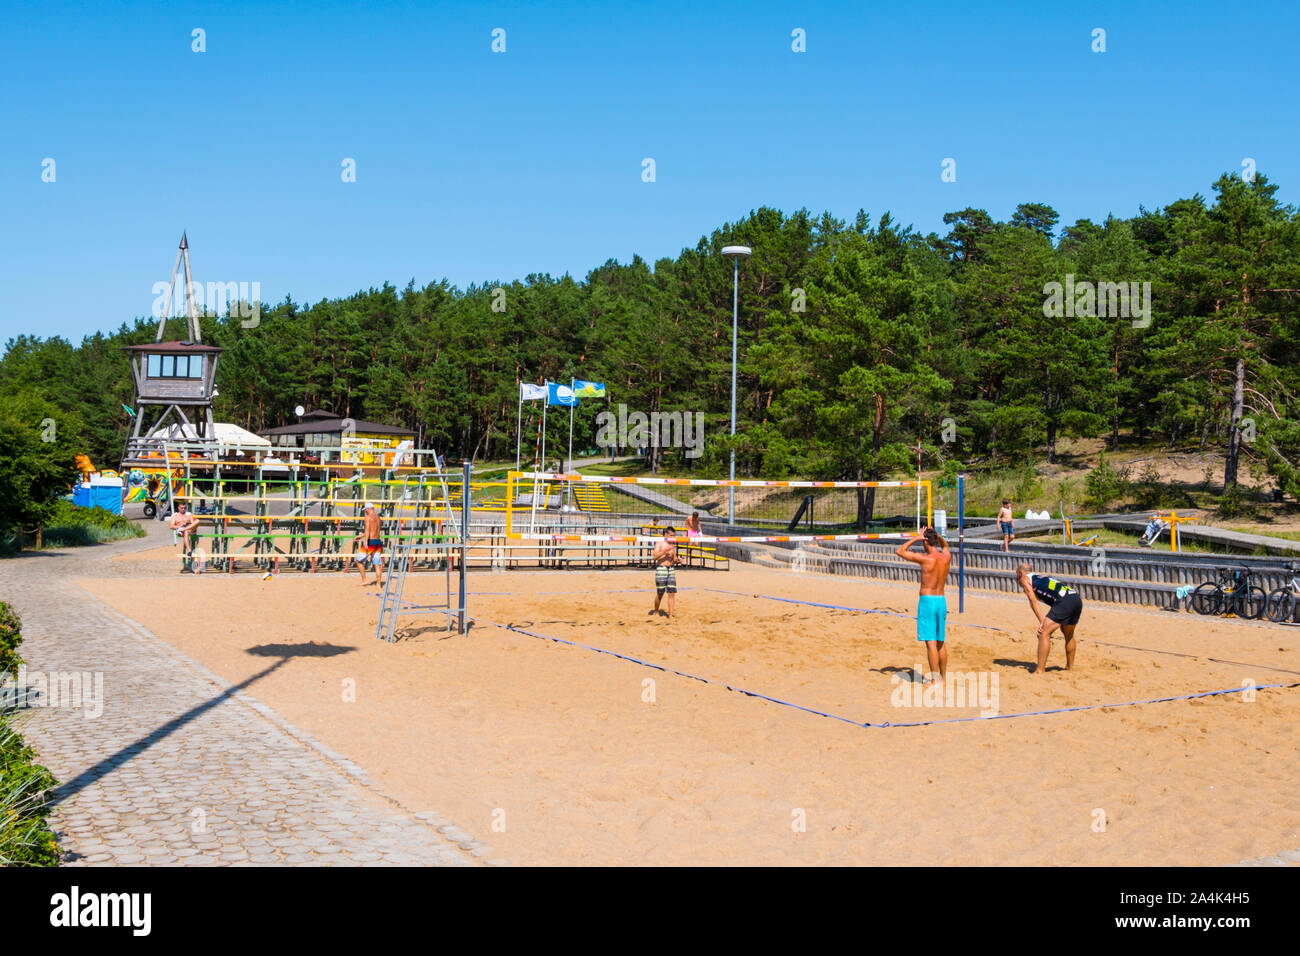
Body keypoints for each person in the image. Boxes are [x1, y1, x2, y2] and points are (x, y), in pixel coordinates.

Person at [895, 526, 952, 684]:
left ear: (925, 542)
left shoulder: (926, 559)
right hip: (941, 600)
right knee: (941, 642)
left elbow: (900, 551)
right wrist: (936, 535)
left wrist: (917, 537)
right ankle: (944, 678)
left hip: (928, 601)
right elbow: (945, 546)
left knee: (931, 642)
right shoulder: (946, 557)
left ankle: (934, 681)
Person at [1015, 563, 1083, 675]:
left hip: (1064, 601)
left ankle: (1040, 670)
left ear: (1020, 573)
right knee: (1068, 634)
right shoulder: (1039, 576)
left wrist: (1042, 622)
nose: (1017, 577)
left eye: (1017, 574)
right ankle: (1069, 668)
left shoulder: (1024, 579)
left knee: (1043, 633)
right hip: (1075, 598)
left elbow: (1033, 601)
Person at [650, 526, 683, 619]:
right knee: (660, 593)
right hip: (661, 568)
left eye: (674, 535)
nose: (673, 537)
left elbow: (674, 558)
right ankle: (656, 611)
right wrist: (664, 552)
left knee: (671, 593)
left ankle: (671, 614)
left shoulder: (672, 544)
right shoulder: (659, 543)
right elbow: (655, 557)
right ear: (666, 534)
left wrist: (678, 560)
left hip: (671, 569)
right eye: (671, 535)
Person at [353, 503, 385, 588]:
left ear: (368, 509)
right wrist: (361, 535)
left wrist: (366, 542)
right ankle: (378, 584)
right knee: (377, 564)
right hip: (378, 542)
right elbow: (374, 530)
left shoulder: (367, 517)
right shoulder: (378, 518)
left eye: (365, 510)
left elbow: (367, 530)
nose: (365, 512)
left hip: (371, 542)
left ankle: (364, 580)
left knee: (358, 560)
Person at [169, 502, 200, 569]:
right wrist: (180, 525)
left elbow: (193, 523)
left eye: (184, 508)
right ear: (178, 508)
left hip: (190, 529)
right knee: (185, 531)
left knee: (197, 521)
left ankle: (184, 530)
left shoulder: (188, 515)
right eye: (182, 508)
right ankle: (189, 551)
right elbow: (171, 526)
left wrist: (187, 523)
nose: (183, 509)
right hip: (182, 529)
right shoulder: (175, 516)